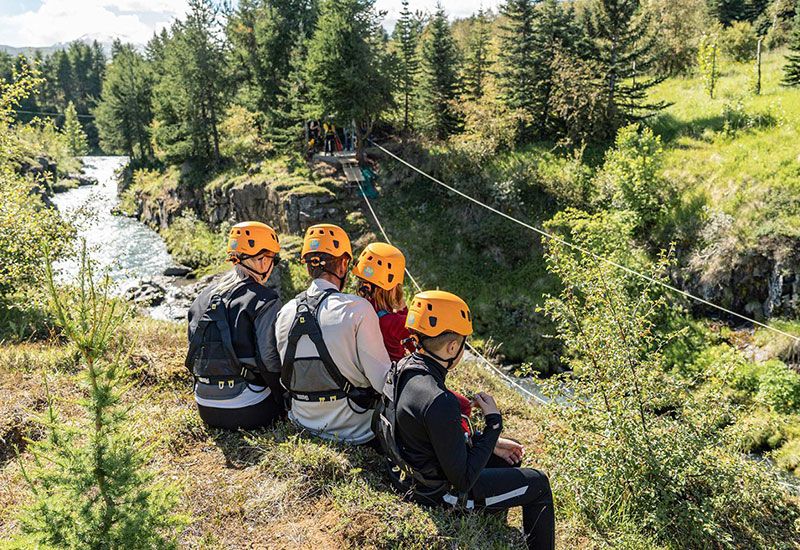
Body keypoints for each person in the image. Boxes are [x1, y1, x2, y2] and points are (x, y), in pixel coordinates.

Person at [375, 290, 555, 550]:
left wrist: (488, 443)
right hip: (438, 495)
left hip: (410, 475)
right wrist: (493, 423)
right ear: (451, 347)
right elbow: (463, 480)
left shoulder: (401, 369)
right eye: (463, 344)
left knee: (506, 453)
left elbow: (435, 437)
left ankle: (490, 519)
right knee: (539, 484)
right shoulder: (439, 400)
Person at [272, 223, 391, 445]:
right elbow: (382, 381)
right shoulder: (358, 308)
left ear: (308, 267)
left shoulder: (284, 312)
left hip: (302, 425)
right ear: (344, 264)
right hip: (357, 430)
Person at [352, 243, 474, 436]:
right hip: (399, 380)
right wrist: (403, 308)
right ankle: (461, 439)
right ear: (392, 288)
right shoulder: (393, 321)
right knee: (464, 405)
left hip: (367, 381)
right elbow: (418, 335)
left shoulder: (360, 310)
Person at [186, 221, 284, 430]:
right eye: (273, 259)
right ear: (261, 260)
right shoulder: (265, 300)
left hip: (205, 408)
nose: (272, 265)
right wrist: (284, 397)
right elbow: (269, 360)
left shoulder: (203, 297)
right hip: (249, 410)